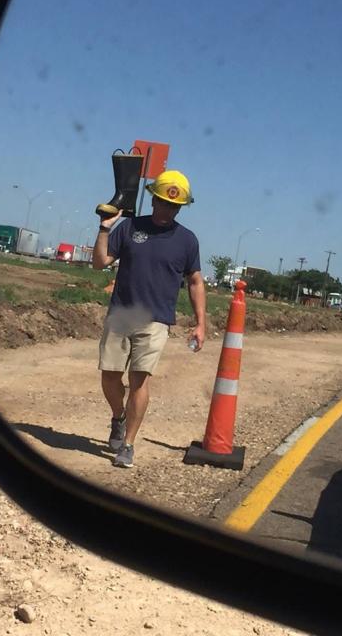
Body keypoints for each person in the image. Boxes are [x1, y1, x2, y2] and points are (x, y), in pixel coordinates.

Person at [92, 169, 206, 468]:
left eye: (174, 206)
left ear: (180, 207)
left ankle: (128, 444)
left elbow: (195, 282)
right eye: (162, 203)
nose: (167, 210)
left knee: (139, 380)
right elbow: (100, 263)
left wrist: (200, 323)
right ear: (153, 199)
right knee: (109, 375)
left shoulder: (187, 241)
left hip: (156, 319)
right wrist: (104, 229)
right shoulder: (129, 227)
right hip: (122, 313)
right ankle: (118, 416)